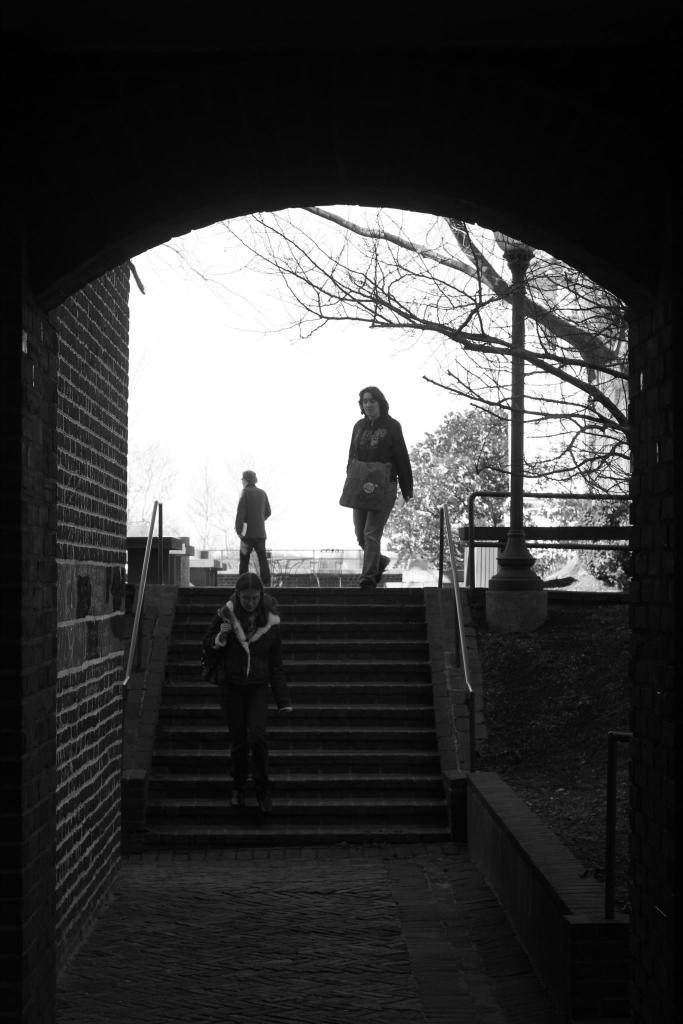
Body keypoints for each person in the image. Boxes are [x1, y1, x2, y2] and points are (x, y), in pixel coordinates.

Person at [202, 572, 292, 813]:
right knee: (239, 743)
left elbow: (276, 662)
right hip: (231, 686)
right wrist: (221, 637)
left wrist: (283, 700)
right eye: (245, 598)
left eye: (254, 598)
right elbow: (207, 645)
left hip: (258, 686)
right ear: (237, 595)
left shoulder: (270, 620)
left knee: (258, 739)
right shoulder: (226, 614)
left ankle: (263, 791)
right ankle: (238, 787)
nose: (250, 603)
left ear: (261, 595)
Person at [347, 386, 413, 588]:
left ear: (380, 403)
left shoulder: (393, 426)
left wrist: (406, 489)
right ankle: (380, 561)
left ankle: (368, 578)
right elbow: (351, 456)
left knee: (371, 533)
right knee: (360, 534)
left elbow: (402, 457)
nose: (368, 405)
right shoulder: (358, 427)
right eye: (364, 401)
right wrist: (349, 480)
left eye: (371, 401)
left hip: (385, 485)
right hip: (360, 486)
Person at [235, 470, 272, 586]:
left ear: (245, 480)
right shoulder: (262, 493)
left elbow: (240, 513)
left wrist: (239, 530)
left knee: (244, 562)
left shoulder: (244, 492)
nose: (242, 482)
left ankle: (242, 586)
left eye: (242, 480)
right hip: (260, 534)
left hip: (247, 535)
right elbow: (268, 512)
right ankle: (267, 585)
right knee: (263, 561)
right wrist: (260, 520)